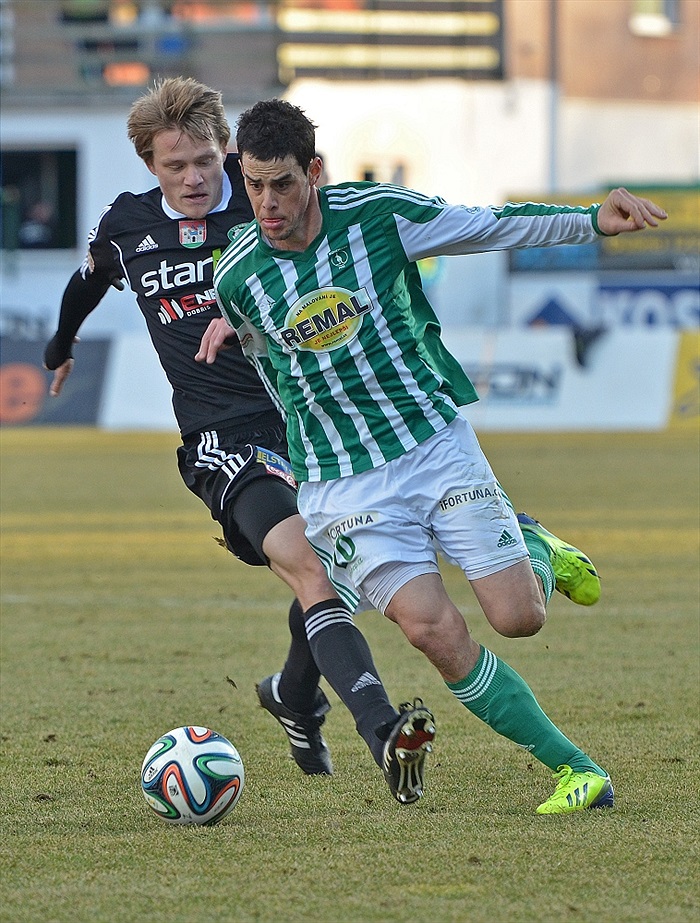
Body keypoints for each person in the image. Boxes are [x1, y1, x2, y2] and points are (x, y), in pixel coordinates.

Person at [201, 98, 668, 814]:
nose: (267, 203)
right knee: (431, 631)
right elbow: (269, 367)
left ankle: (535, 546)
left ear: (314, 172)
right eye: (255, 184)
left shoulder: (379, 216)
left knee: (519, 618)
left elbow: (488, 225)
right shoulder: (236, 275)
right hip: (343, 486)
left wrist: (589, 220)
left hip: (431, 447)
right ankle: (579, 772)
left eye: (283, 184)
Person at [42, 77, 436, 806]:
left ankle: (293, 692)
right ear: (150, 165)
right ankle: (384, 732)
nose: (194, 178)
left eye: (205, 161)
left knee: (337, 565)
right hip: (221, 436)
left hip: (311, 421)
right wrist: (60, 345)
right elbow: (88, 279)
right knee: (312, 562)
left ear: (226, 150)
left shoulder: (266, 202)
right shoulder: (128, 226)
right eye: (175, 166)